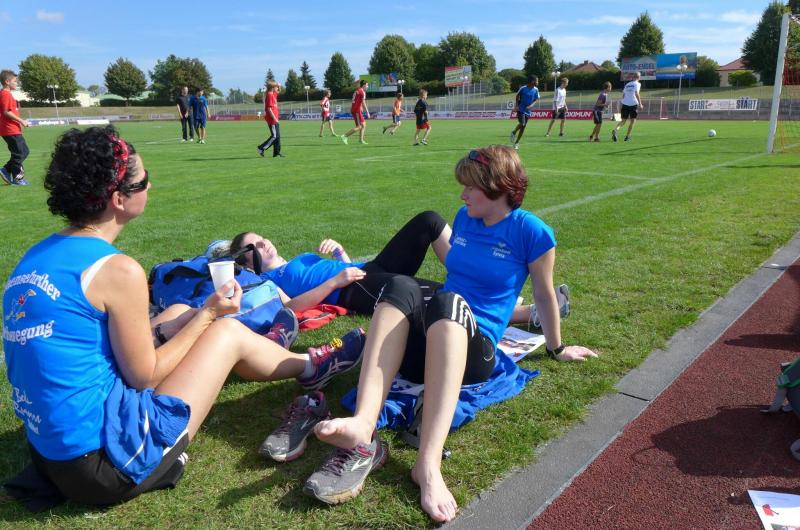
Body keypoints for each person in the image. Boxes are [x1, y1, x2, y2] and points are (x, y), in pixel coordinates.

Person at [1, 126, 366, 508]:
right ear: (118, 199)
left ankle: (301, 363)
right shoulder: (117, 270)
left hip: (49, 453)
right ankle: (311, 365)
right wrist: (207, 315)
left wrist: (181, 322)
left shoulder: (37, 256)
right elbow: (145, 376)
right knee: (224, 332)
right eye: (144, 179)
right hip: (103, 464)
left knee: (177, 312)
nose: (150, 185)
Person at [306, 145, 597, 523]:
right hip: (435, 340)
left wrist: (557, 348)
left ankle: (427, 466)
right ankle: (363, 423)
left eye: (470, 187)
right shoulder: (464, 219)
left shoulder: (531, 231)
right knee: (400, 285)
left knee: (449, 301)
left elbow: (543, 294)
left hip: (475, 351)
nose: (462, 195)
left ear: (497, 188)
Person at [0, 70, 30, 186]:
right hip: (9, 130)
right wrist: (21, 121)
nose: (17, 83)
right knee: (19, 153)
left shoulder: (7, 94)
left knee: (24, 151)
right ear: (7, 82)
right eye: (15, 81)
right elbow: (6, 112)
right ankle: (18, 179)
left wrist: (19, 123)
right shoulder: (5, 94)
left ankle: (6, 169)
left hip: (12, 129)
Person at [509, 76, 540, 150]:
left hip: (528, 111)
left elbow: (536, 99)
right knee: (522, 123)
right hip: (521, 109)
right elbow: (517, 96)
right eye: (536, 81)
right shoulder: (523, 88)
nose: (537, 82)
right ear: (532, 81)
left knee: (523, 127)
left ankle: (516, 143)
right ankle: (514, 132)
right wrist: (517, 106)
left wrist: (531, 105)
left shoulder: (536, 89)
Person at [612, 71, 642, 142]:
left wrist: (623, 103)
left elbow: (624, 95)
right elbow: (636, 93)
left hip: (625, 104)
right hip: (633, 104)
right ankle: (627, 137)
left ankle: (615, 130)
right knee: (632, 121)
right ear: (639, 77)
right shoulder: (638, 84)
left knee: (623, 121)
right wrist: (640, 103)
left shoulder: (627, 84)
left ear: (633, 77)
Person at [340, 80, 370, 145]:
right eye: (367, 85)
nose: (368, 86)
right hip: (357, 110)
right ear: (364, 85)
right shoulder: (362, 92)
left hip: (356, 109)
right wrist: (367, 112)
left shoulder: (357, 91)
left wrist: (359, 107)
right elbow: (363, 102)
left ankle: (361, 140)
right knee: (359, 126)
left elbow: (356, 100)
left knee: (363, 124)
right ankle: (345, 136)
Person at [258, 81, 283, 157]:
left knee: (277, 136)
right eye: (276, 87)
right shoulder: (269, 95)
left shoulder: (273, 94)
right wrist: (275, 119)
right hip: (272, 119)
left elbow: (279, 91)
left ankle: (276, 153)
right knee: (274, 136)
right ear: (272, 88)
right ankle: (261, 148)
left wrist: (279, 86)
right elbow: (269, 109)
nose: (277, 88)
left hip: (275, 119)